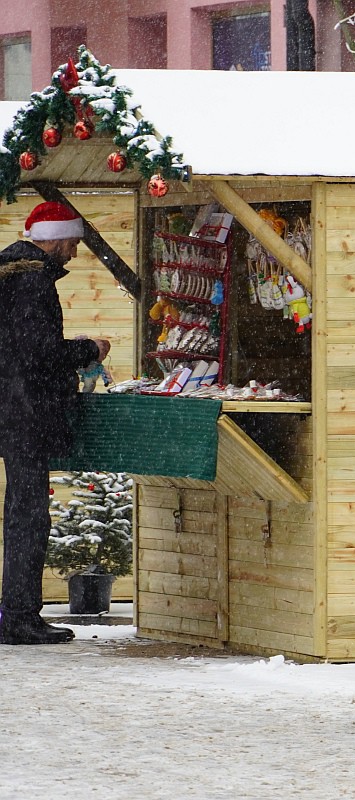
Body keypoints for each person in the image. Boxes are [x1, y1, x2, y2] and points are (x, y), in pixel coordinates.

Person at [0, 201, 110, 645]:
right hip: (23, 411)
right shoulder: (32, 282)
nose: (75, 252)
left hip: (9, 405)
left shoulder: (10, 274)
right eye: (74, 242)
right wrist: (88, 349)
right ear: (56, 238)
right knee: (28, 516)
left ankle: (15, 614)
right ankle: (20, 617)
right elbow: (38, 353)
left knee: (21, 513)